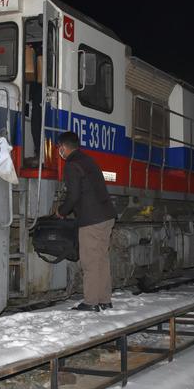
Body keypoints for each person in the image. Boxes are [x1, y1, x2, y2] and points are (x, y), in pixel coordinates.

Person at [55, 131, 117, 312]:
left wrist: (61, 211)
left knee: (90, 261)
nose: (59, 151)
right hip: (107, 215)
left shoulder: (71, 164)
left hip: (92, 219)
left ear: (64, 148)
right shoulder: (88, 160)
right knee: (101, 260)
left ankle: (91, 302)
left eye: (59, 148)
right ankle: (105, 299)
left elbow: (73, 195)